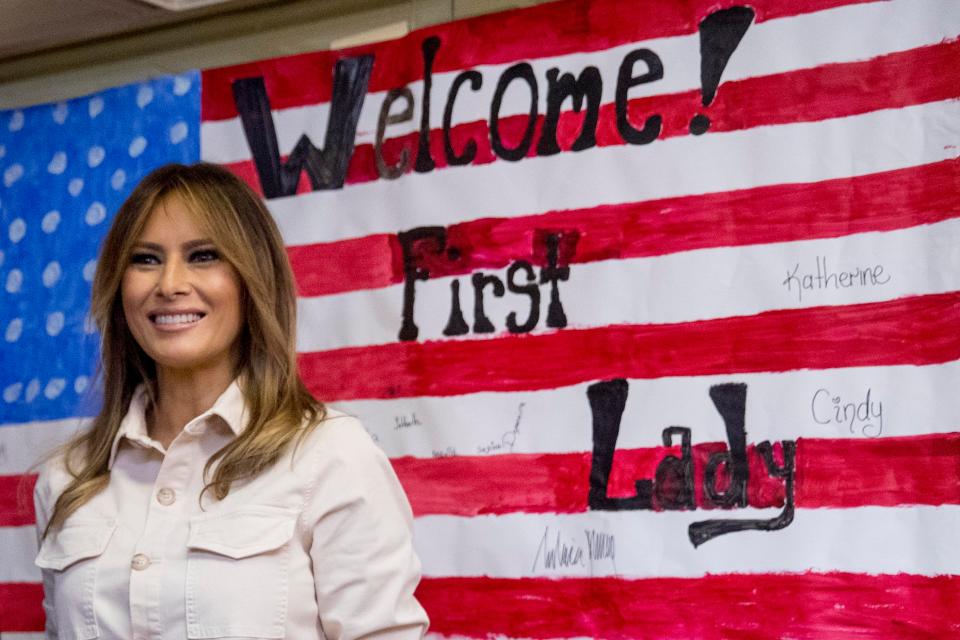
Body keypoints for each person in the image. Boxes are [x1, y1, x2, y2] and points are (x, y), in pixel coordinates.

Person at [33, 162, 428, 640]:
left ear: (251, 279)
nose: (170, 284)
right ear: (119, 287)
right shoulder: (67, 479)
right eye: (145, 259)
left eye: (203, 256)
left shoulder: (330, 457)